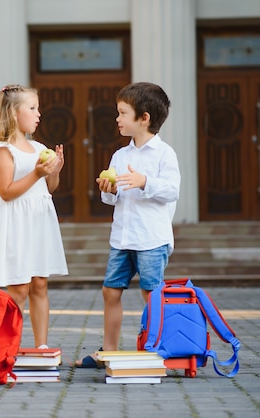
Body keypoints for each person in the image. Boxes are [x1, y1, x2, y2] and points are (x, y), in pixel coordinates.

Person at [76, 82, 181, 367]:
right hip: (122, 238)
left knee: (151, 293)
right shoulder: (120, 156)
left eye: (122, 113)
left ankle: (156, 350)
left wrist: (144, 181)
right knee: (110, 290)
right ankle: (108, 350)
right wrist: (108, 189)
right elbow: (112, 199)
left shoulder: (164, 154)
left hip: (151, 238)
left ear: (143, 118)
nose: (117, 119)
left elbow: (172, 190)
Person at [0, 83, 69, 349]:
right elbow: (7, 192)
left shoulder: (38, 147)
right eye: (32, 108)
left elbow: (48, 190)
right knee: (19, 288)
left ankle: (41, 346)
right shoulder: (4, 151)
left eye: (37, 108)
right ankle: (8, 347)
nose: (38, 114)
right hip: (16, 226)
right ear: (13, 114)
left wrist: (54, 172)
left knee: (40, 284)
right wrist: (37, 173)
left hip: (38, 224)